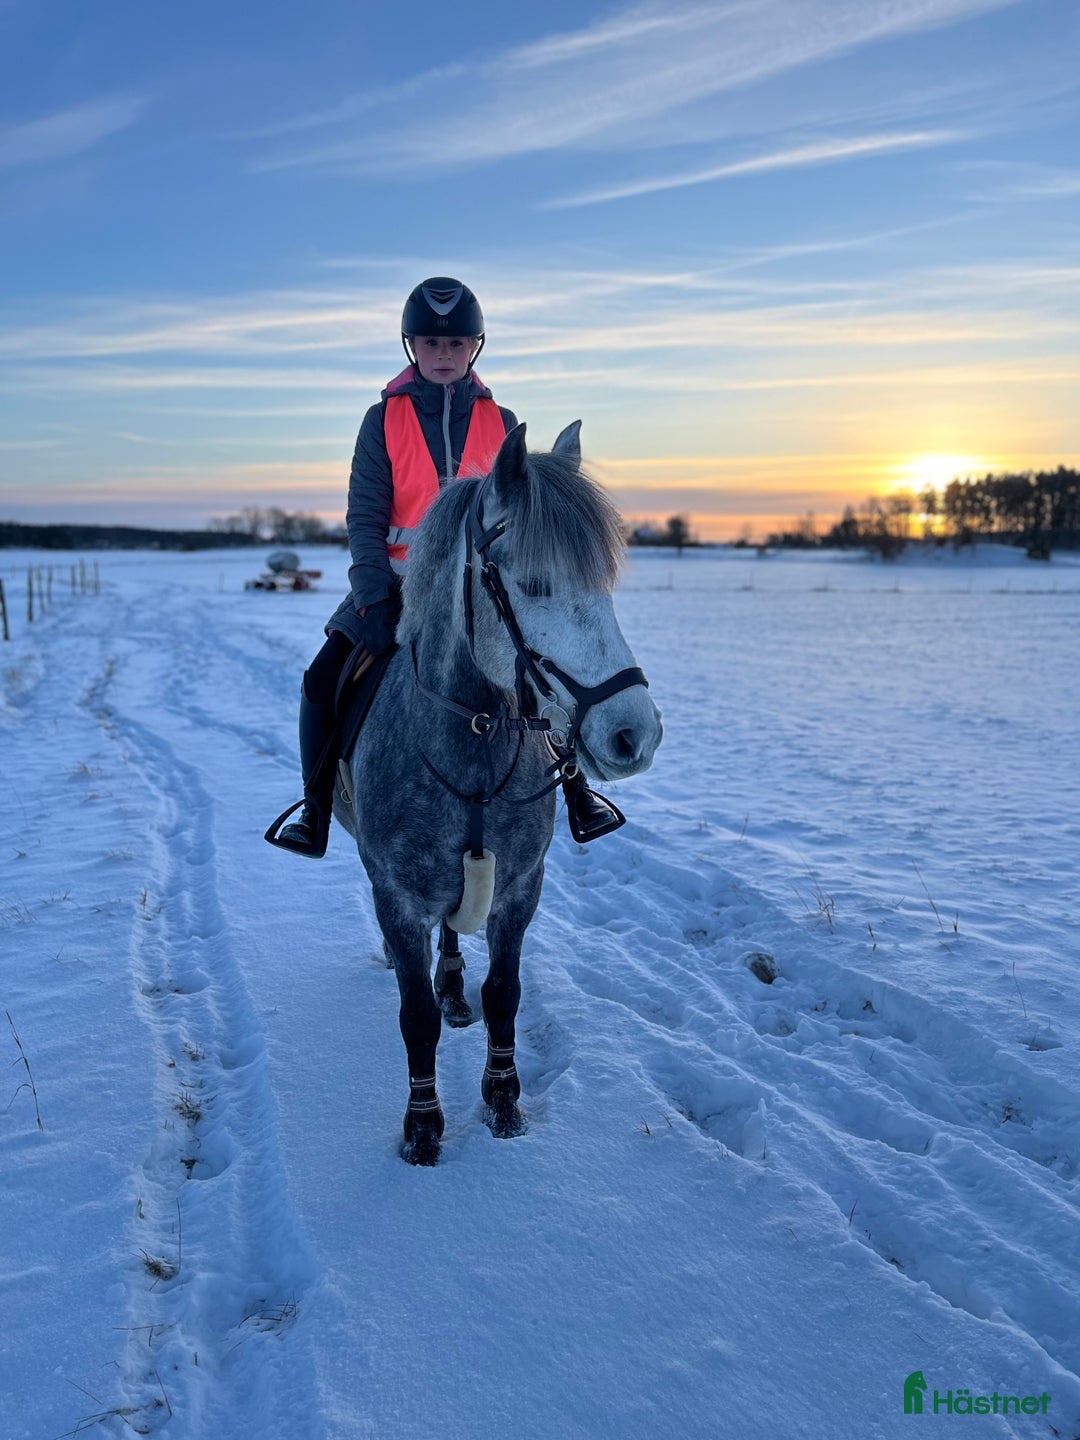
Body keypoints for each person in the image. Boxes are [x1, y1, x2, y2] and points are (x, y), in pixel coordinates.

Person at [267, 276, 624, 858]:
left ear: (474, 348)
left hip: (482, 589)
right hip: (399, 586)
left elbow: (523, 515)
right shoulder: (381, 420)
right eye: (431, 345)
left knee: (538, 672)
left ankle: (578, 789)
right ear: (411, 347)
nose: (443, 356)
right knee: (321, 679)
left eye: (456, 345)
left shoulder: (502, 420)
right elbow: (365, 516)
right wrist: (373, 590)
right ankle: (316, 809)